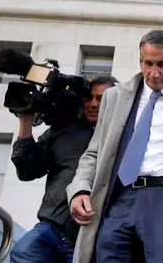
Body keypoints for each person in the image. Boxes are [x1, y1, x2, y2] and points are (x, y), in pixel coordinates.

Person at [66, 29, 163, 263]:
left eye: (162, 64)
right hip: (117, 197)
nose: (154, 73)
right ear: (140, 61)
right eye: (148, 63)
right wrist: (80, 188)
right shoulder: (114, 97)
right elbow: (94, 152)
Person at [10, 75, 118, 263]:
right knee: (23, 251)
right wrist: (25, 121)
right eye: (89, 98)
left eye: (101, 99)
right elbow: (27, 170)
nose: (93, 104)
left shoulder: (123, 135)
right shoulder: (63, 130)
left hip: (95, 237)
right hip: (52, 228)